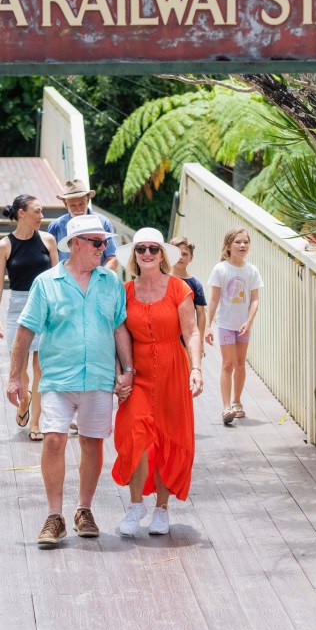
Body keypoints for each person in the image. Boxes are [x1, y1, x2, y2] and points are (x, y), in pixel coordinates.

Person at [6, 214, 133, 549]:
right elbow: (25, 330)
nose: (103, 248)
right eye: (96, 242)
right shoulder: (47, 283)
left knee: (93, 443)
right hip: (58, 379)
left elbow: (119, 326)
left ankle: (84, 510)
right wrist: (14, 376)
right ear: (76, 244)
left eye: (104, 242)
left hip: (100, 378)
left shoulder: (111, 282)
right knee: (53, 441)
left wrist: (128, 370)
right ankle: (54, 515)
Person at [112, 228, 203, 537]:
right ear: (135, 256)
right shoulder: (124, 291)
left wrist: (197, 368)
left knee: (168, 438)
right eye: (141, 249)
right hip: (137, 372)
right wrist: (120, 371)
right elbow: (118, 333)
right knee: (133, 434)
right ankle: (136, 505)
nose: (147, 253)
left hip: (172, 370)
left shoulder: (178, 288)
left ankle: (161, 509)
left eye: (153, 248)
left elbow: (191, 331)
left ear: (163, 254)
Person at [0, 194, 58, 441]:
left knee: (41, 367)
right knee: (19, 370)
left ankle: (36, 423)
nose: (42, 217)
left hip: (45, 305)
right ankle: (25, 398)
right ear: (22, 213)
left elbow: (57, 278)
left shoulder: (49, 240)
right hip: (18, 306)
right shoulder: (4, 246)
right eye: (37, 212)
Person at [205, 228, 262, 425]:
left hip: (243, 326)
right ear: (228, 246)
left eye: (245, 242)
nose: (242, 245)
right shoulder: (220, 269)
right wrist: (208, 326)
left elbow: (255, 300)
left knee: (240, 363)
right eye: (238, 242)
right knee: (227, 364)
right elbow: (213, 300)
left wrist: (249, 321)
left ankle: (237, 401)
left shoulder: (252, 270)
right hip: (226, 325)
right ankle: (226, 406)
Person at [47, 179, 118, 270]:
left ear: (87, 200)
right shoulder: (56, 226)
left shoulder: (103, 223)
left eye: (81, 204)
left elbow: (113, 258)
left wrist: (100, 278)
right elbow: (49, 260)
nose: (78, 209)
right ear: (65, 204)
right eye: (73, 205)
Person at [169, 235, 207, 352]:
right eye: (176, 253)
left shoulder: (195, 284)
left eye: (184, 254)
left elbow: (201, 314)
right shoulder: (162, 280)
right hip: (166, 337)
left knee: (188, 369)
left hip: (187, 338)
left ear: (191, 257)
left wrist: (199, 341)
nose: (180, 257)